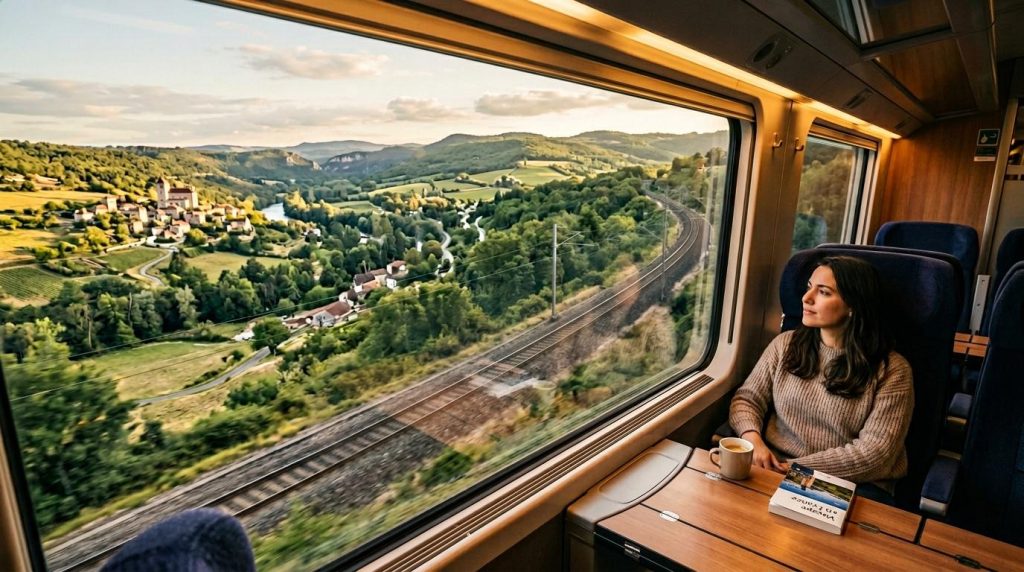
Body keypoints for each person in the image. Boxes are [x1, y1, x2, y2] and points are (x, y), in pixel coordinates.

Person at [729, 255, 913, 497]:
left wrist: (793, 469)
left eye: (824, 292)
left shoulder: (892, 370)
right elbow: (747, 399)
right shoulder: (785, 344)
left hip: (847, 482)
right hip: (771, 464)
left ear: (853, 305)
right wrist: (753, 441)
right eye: (808, 287)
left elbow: (875, 454)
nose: (806, 298)